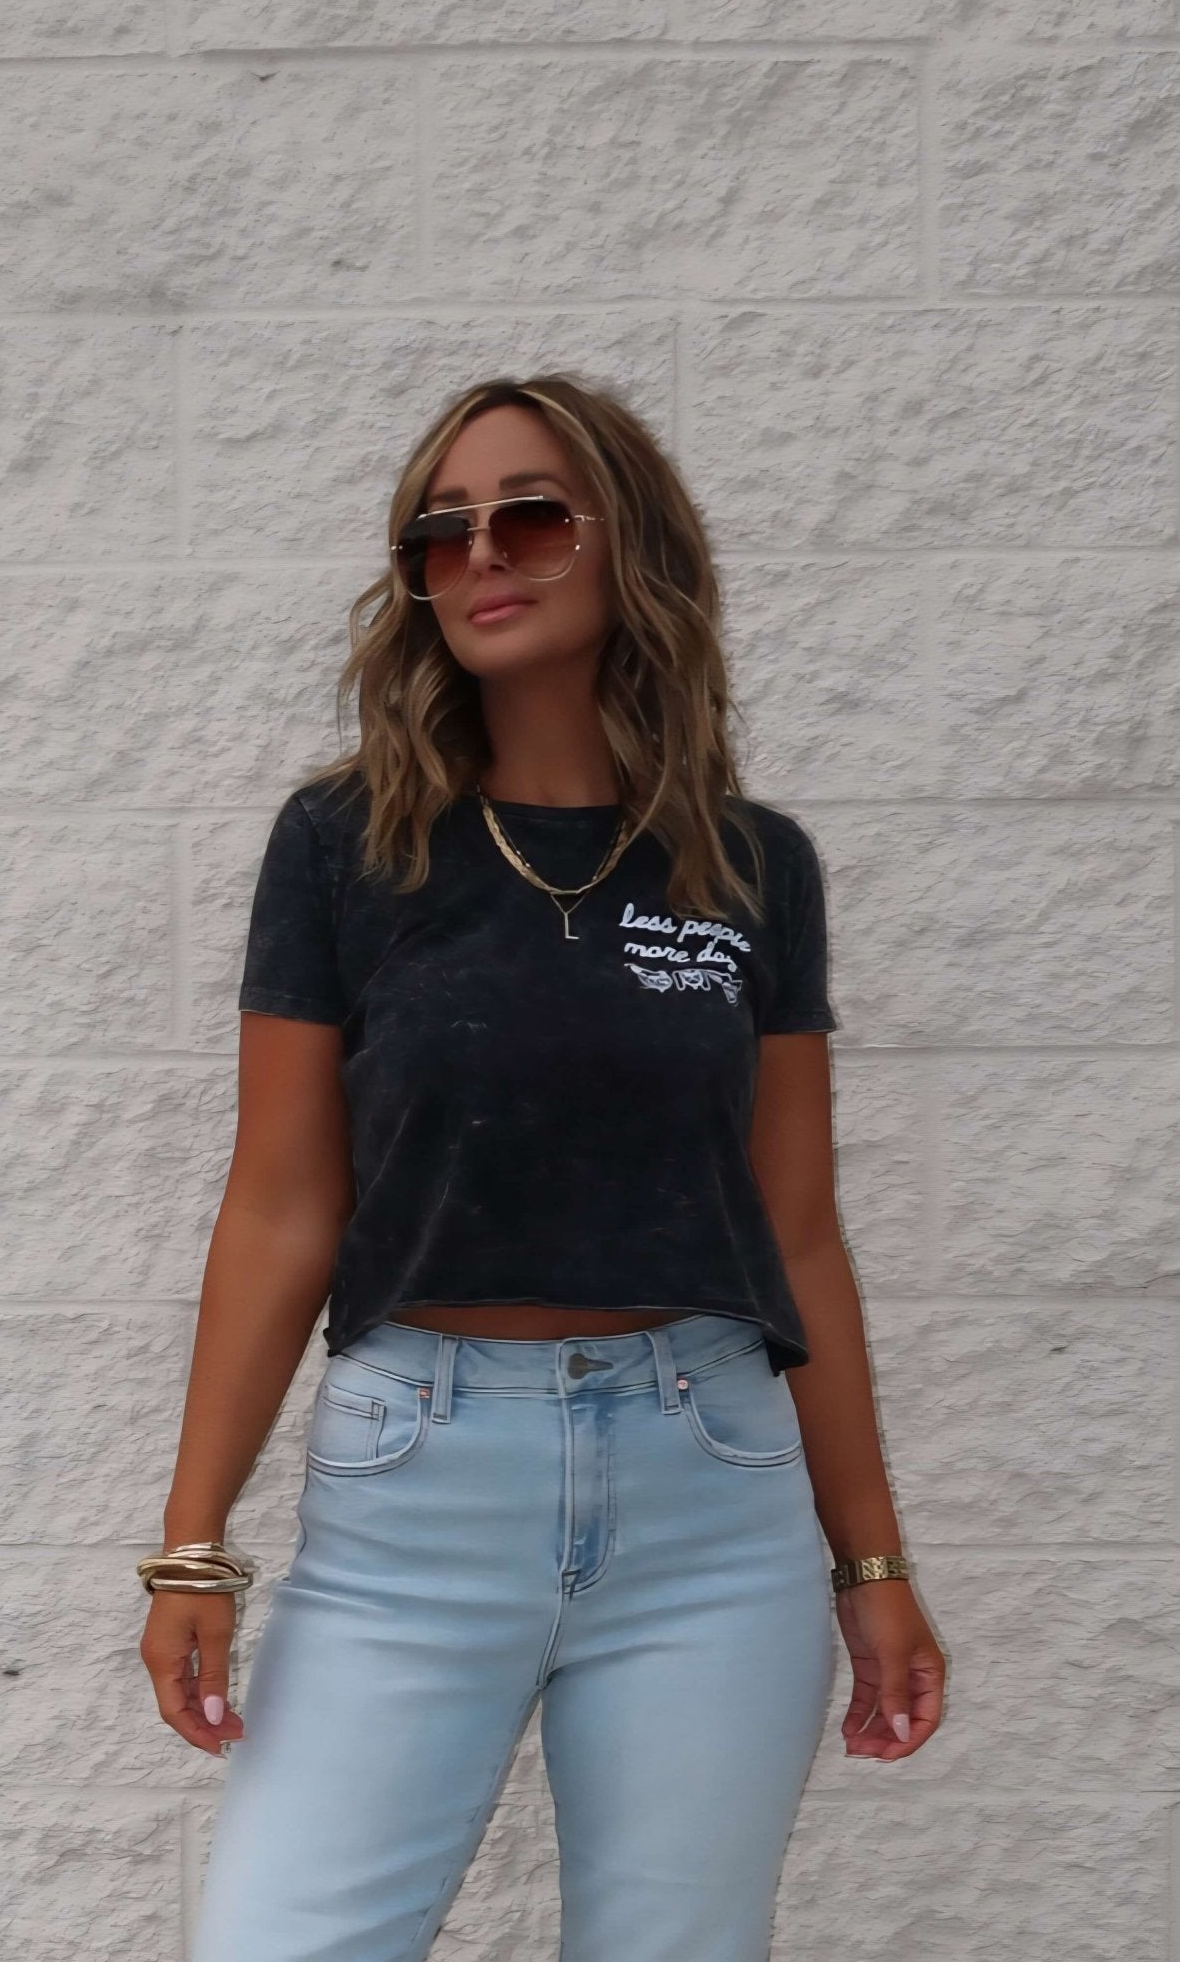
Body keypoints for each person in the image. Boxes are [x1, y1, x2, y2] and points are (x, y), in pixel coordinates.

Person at [139, 372, 946, 1960]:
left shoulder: (749, 864)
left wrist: (868, 1560)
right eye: (438, 535)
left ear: (627, 544)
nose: (479, 557)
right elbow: (284, 1206)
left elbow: (795, 1231)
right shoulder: (348, 846)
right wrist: (192, 1543)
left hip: (709, 1499)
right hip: (413, 1493)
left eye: (527, 516)